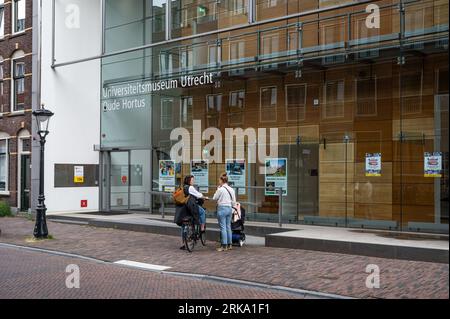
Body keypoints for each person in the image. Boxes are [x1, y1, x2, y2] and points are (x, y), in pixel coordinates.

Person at [212, 173, 236, 252]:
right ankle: (230, 244)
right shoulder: (231, 189)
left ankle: (224, 246)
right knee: (228, 226)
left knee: (223, 227)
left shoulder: (220, 189)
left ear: (222, 180)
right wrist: (233, 210)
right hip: (229, 208)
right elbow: (234, 201)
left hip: (222, 208)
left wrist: (217, 189)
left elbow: (214, 198)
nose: (218, 181)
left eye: (219, 180)